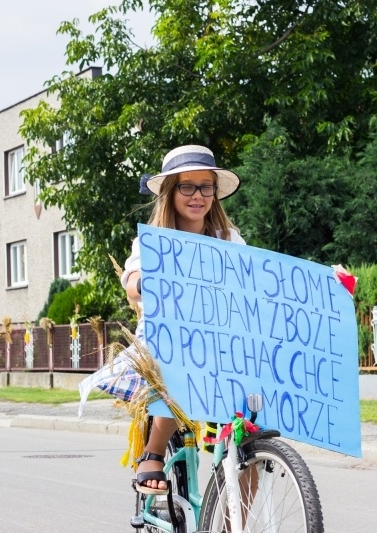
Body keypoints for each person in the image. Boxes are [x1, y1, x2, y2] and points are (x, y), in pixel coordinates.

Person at [121, 144, 244, 494]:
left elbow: (257, 280)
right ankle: (153, 452)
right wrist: (144, 283)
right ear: (171, 192)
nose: (198, 195)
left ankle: (240, 518)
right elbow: (131, 283)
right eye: (187, 186)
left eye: (206, 186)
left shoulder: (229, 239)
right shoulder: (153, 243)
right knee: (186, 366)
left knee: (253, 427)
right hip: (169, 342)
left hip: (220, 340)